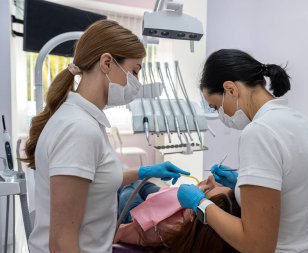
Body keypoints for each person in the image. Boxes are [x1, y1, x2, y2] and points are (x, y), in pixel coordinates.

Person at [22, 20, 189, 253]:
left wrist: (142, 173)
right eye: (134, 72)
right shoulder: (79, 129)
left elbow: (93, 181)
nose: (136, 84)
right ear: (107, 63)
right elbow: (61, 242)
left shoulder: (85, 120)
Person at [177, 49, 308, 253]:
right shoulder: (299, 120)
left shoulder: (258, 132)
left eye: (216, 106)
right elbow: (295, 189)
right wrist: (242, 185)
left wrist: (199, 203)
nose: (221, 114)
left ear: (231, 89)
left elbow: (257, 246)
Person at [114, 175, 240, 253]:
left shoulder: (165, 227)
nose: (210, 178)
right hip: (164, 200)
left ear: (193, 216)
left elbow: (118, 233)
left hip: (138, 218)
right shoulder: (225, 220)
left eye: (206, 191)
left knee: (128, 188)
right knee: (143, 184)